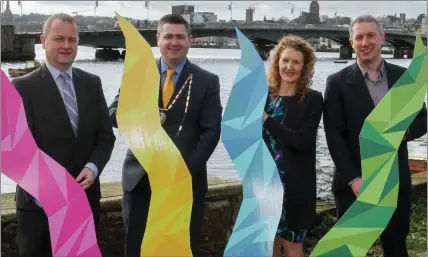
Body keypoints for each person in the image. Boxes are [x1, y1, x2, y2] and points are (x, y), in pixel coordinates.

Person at [108, 14, 222, 257]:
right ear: (157, 39)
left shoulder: (207, 81)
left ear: (190, 40)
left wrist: (181, 172)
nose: (174, 42)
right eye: (168, 36)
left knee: (178, 249)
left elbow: (211, 132)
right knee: (137, 249)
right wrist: (133, 117)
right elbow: (112, 113)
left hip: (184, 182)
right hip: (140, 180)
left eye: (180, 36)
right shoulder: (139, 74)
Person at [11, 13, 116, 257]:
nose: (66, 46)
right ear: (43, 40)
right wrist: (48, 194)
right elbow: (15, 150)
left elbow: (105, 137)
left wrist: (93, 167)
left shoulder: (92, 83)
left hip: (84, 201)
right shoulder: (21, 88)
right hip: (38, 210)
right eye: (59, 39)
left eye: (72, 40)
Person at [323, 14, 427, 257]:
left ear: (383, 38)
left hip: (395, 181)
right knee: (347, 250)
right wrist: (353, 180)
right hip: (354, 185)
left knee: (395, 246)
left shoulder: (403, 78)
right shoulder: (336, 82)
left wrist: (404, 133)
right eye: (359, 37)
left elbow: (423, 118)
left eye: (371, 35)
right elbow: (334, 136)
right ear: (351, 43)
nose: (365, 42)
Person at [262, 35, 323, 257]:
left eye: (296, 62)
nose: (289, 67)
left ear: (304, 67)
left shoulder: (312, 99)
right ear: (277, 62)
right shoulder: (263, 97)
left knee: (292, 245)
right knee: (268, 245)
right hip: (265, 184)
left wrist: (267, 120)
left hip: (296, 186)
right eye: (285, 60)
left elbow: (301, 141)